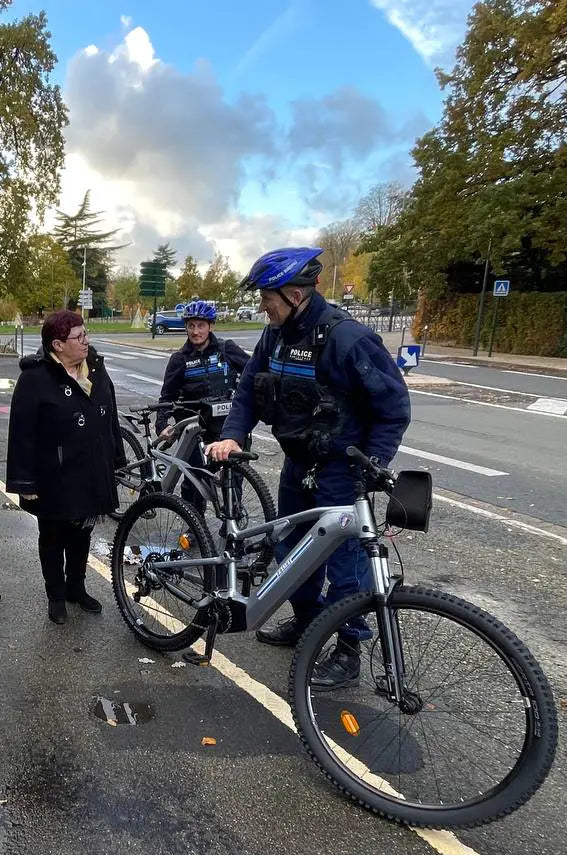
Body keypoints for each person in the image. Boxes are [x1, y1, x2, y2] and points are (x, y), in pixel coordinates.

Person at [205, 247, 410, 690]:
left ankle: (349, 651)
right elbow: (248, 392)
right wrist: (232, 435)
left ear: (295, 295)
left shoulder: (347, 339)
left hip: (340, 470)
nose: (262, 305)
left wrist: (373, 465)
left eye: (267, 297)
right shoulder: (274, 336)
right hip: (299, 465)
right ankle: (308, 624)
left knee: (347, 563)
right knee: (292, 551)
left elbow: (393, 407)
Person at [6, 310, 126, 625]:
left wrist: (116, 459)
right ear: (58, 345)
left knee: (82, 531)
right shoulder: (36, 377)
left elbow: (109, 415)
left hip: (90, 468)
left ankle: (76, 588)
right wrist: (24, 482)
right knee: (53, 534)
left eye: (86, 334)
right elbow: (21, 433)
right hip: (53, 473)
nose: (86, 341)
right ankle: (56, 597)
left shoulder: (93, 368)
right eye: (79, 337)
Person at [155, 299, 250, 513]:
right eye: (191, 326)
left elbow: (253, 377)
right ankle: (195, 526)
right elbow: (166, 397)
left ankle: (232, 525)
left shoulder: (227, 350)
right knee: (195, 481)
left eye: (201, 325)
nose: (196, 331)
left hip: (227, 427)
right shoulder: (179, 359)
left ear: (210, 326)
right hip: (195, 431)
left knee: (234, 478)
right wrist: (162, 425)